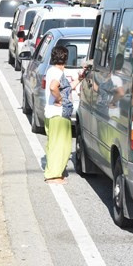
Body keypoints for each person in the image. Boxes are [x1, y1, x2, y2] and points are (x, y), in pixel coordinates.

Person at [43, 46, 86, 184]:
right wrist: (59, 99)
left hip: (52, 114)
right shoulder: (57, 73)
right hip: (59, 115)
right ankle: (53, 176)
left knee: (54, 144)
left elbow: (68, 87)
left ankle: (54, 172)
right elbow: (53, 87)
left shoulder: (52, 70)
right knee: (60, 146)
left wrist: (80, 79)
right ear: (66, 58)